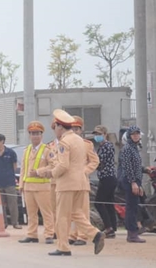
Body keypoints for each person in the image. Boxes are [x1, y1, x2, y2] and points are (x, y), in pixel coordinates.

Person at [33, 109, 104, 256]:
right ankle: (95, 234)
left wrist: (51, 173)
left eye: (56, 127)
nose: (55, 131)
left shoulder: (64, 142)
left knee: (62, 216)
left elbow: (63, 165)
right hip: (81, 182)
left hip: (66, 184)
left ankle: (63, 246)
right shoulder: (79, 140)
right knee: (76, 212)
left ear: (60, 126)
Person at [18, 121, 55, 244]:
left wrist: (39, 171)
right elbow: (23, 168)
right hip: (28, 187)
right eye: (33, 133)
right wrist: (21, 185)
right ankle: (32, 234)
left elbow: (53, 165)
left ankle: (49, 234)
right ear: (29, 135)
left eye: (37, 133)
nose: (35, 136)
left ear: (42, 135)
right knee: (31, 213)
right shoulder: (26, 150)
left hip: (42, 186)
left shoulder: (47, 150)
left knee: (46, 212)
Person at [69, 116, 99, 246]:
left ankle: (82, 236)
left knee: (82, 210)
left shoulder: (87, 144)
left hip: (81, 182)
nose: (75, 131)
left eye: (77, 129)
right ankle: (72, 235)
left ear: (81, 130)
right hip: (69, 182)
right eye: (72, 128)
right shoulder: (66, 144)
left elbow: (94, 161)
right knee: (70, 210)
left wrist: (84, 171)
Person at [118, 125, 146, 243]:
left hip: (136, 180)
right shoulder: (127, 148)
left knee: (134, 207)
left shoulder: (134, 148)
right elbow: (128, 167)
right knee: (131, 207)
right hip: (130, 181)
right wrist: (133, 183)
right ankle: (132, 233)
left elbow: (137, 167)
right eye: (133, 134)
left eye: (137, 133)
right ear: (129, 135)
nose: (136, 136)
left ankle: (133, 232)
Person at [0, 133, 21, 229]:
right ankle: (3, 223)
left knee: (12, 203)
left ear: (2, 141)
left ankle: (15, 222)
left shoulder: (10, 153)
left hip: (10, 182)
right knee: (0, 204)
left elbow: (14, 166)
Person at [92, 125, 118, 238]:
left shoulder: (107, 146)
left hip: (108, 177)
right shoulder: (101, 146)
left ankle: (109, 227)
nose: (97, 136)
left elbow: (99, 162)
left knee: (99, 203)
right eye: (96, 134)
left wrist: (90, 164)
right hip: (106, 177)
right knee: (108, 203)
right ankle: (112, 226)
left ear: (105, 134)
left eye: (99, 134)